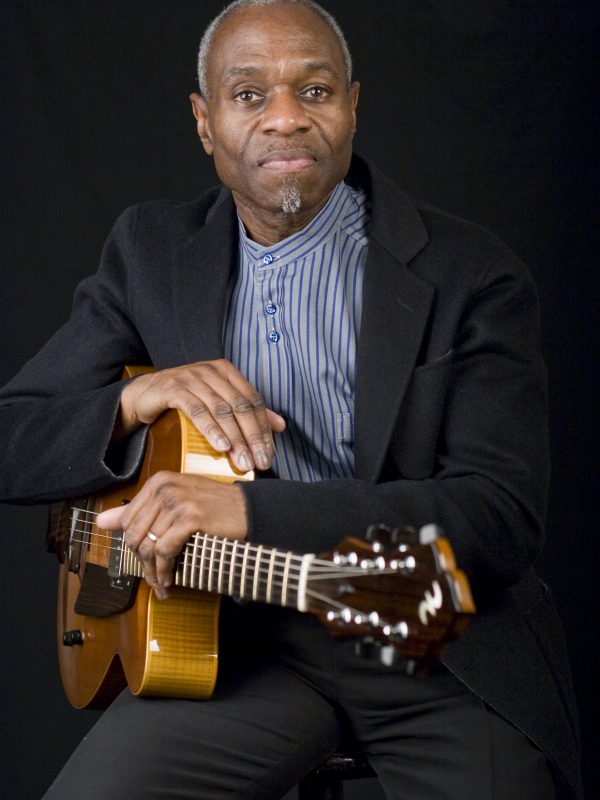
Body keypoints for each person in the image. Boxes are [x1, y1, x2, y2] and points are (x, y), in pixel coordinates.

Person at [0, 1, 582, 798]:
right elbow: (14, 438)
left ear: (352, 106)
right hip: (242, 651)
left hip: (440, 646)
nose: (285, 118)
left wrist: (246, 511)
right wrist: (138, 400)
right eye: (249, 95)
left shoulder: (472, 272)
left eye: (314, 90)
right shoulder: (151, 253)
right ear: (204, 122)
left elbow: (500, 518)